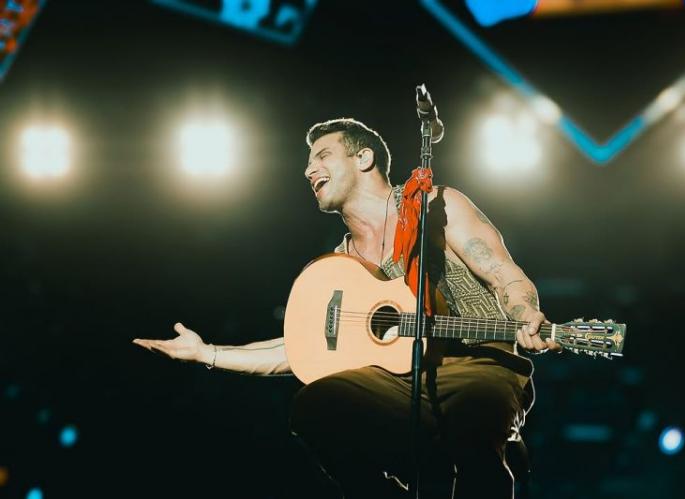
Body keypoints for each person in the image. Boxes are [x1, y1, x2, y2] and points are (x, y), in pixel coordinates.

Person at [133, 118, 560, 499]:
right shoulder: (342, 266)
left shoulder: (435, 206)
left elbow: (502, 272)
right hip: (400, 382)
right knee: (315, 404)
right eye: (308, 163)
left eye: (323, 156)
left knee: (475, 424)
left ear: (364, 158)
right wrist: (207, 353)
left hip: (478, 363)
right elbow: (300, 351)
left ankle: (499, 449)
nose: (309, 170)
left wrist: (524, 312)